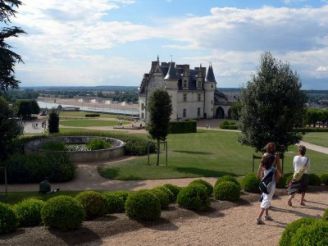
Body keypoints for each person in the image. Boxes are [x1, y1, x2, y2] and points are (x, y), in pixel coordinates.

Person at [256, 142, 282, 225]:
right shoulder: (274, 160)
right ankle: (259, 218)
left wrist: (258, 174)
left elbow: (261, 166)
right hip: (271, 183)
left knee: (266, 197)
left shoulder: (265, 156)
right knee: (267, 198)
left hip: (264, 180)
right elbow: (279, 171)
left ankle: (266, 215)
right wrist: (277, 159)